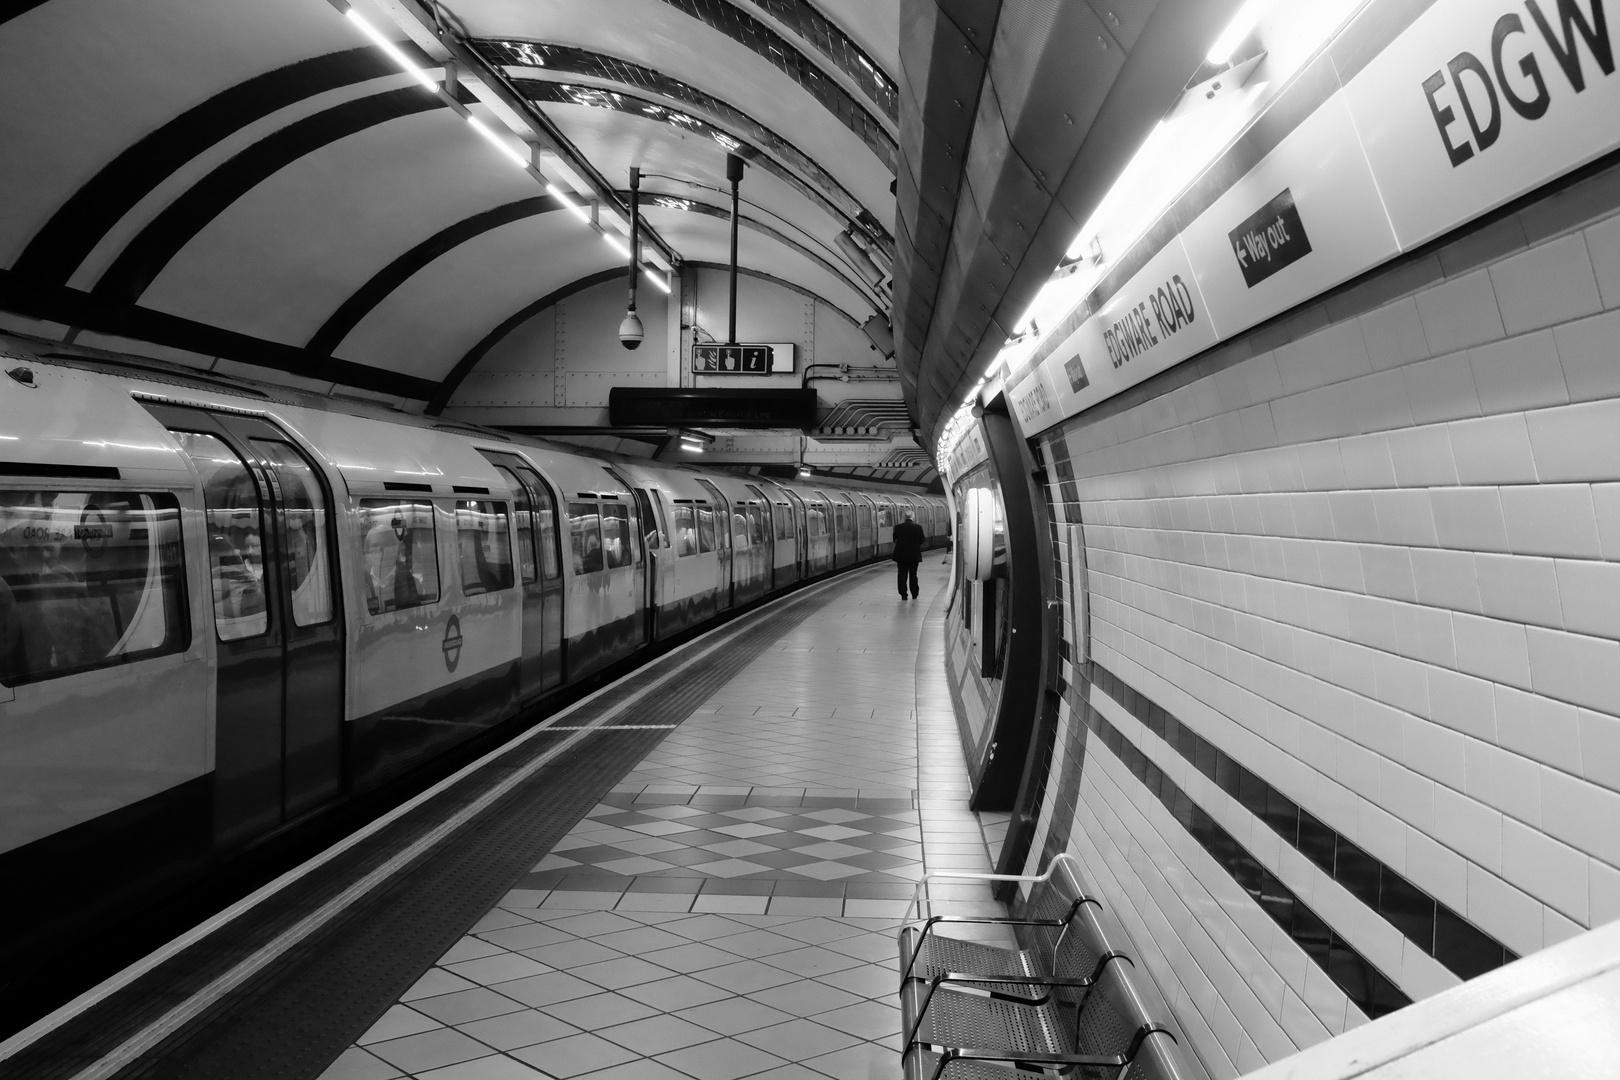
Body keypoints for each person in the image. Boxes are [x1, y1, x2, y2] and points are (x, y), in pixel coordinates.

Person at [892, 509, 925, 600]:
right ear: (912, 517)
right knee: (913, 575)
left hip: (901, 556)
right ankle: (914, 593)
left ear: (904, 517)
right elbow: (922, 540)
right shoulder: (918, 527)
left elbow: (894, 539)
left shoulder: (898, 527)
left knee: (902, 575)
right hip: (914, 555)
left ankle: (903, 594)